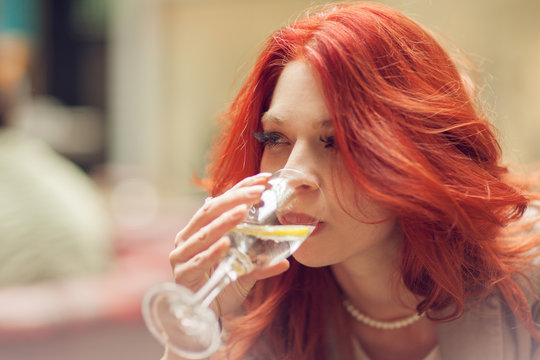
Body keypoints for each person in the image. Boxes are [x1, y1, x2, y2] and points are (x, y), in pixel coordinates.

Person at [166, 2, 540, 359]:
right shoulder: (255, 295)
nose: (294, 176)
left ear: (417, 153)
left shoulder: (529, 285)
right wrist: (194, 334)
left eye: (336, 142)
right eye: (276, 139)